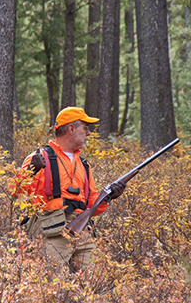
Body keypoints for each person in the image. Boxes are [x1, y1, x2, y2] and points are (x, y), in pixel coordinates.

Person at [21, 107, 125, 272]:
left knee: (90, 286)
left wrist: (109, 197)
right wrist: (30, 171)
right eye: (85, 128)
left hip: (83, 234)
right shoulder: (39, 157)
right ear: (71, 129)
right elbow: (16, 194)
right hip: (52, 233)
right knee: (51, 287)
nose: (88, 133)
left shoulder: (83, 165)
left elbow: (92, 205)